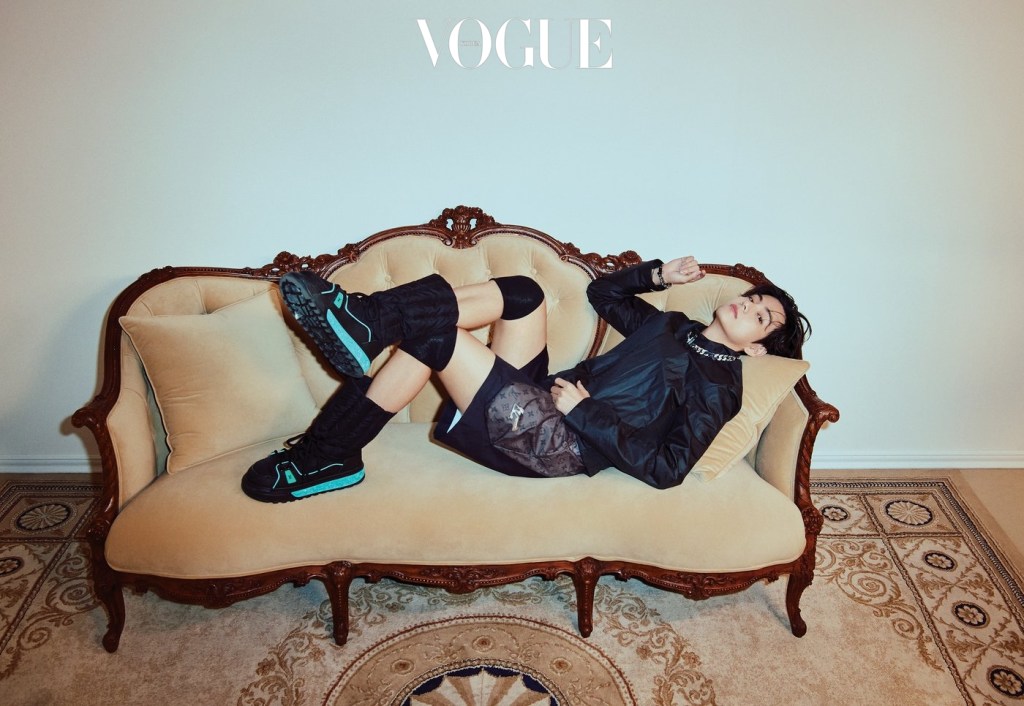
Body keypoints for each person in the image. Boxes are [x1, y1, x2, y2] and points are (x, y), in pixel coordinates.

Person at [241, 257, 811, 502]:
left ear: (756, 347)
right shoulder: (670, 325)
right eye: (753, 298)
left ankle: (327, 455)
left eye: (763, 316)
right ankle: (366, 322)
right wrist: (658, 275)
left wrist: (586, 413)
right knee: (523, 293)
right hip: (542, 399)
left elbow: (668, 469)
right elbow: (603, 293)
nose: (749, 305)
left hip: (562, 440)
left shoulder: (720, 387)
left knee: (437, 340)